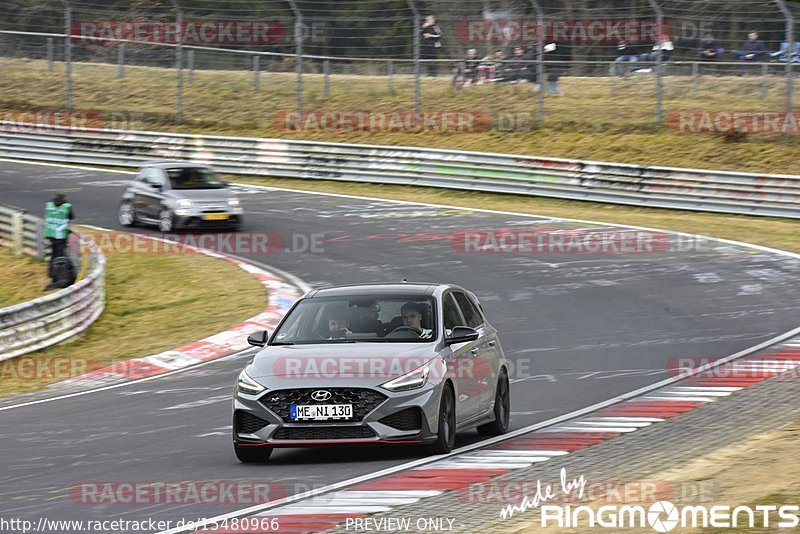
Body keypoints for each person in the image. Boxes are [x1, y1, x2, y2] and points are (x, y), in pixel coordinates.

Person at [43, 192, 74, 279]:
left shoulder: (49, 205)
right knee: (59, 255)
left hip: (50, 232)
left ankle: (50, 271)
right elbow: (72, 217)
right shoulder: (66, 206)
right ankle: (57, 274)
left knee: (53, 253)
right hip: (60, 234)